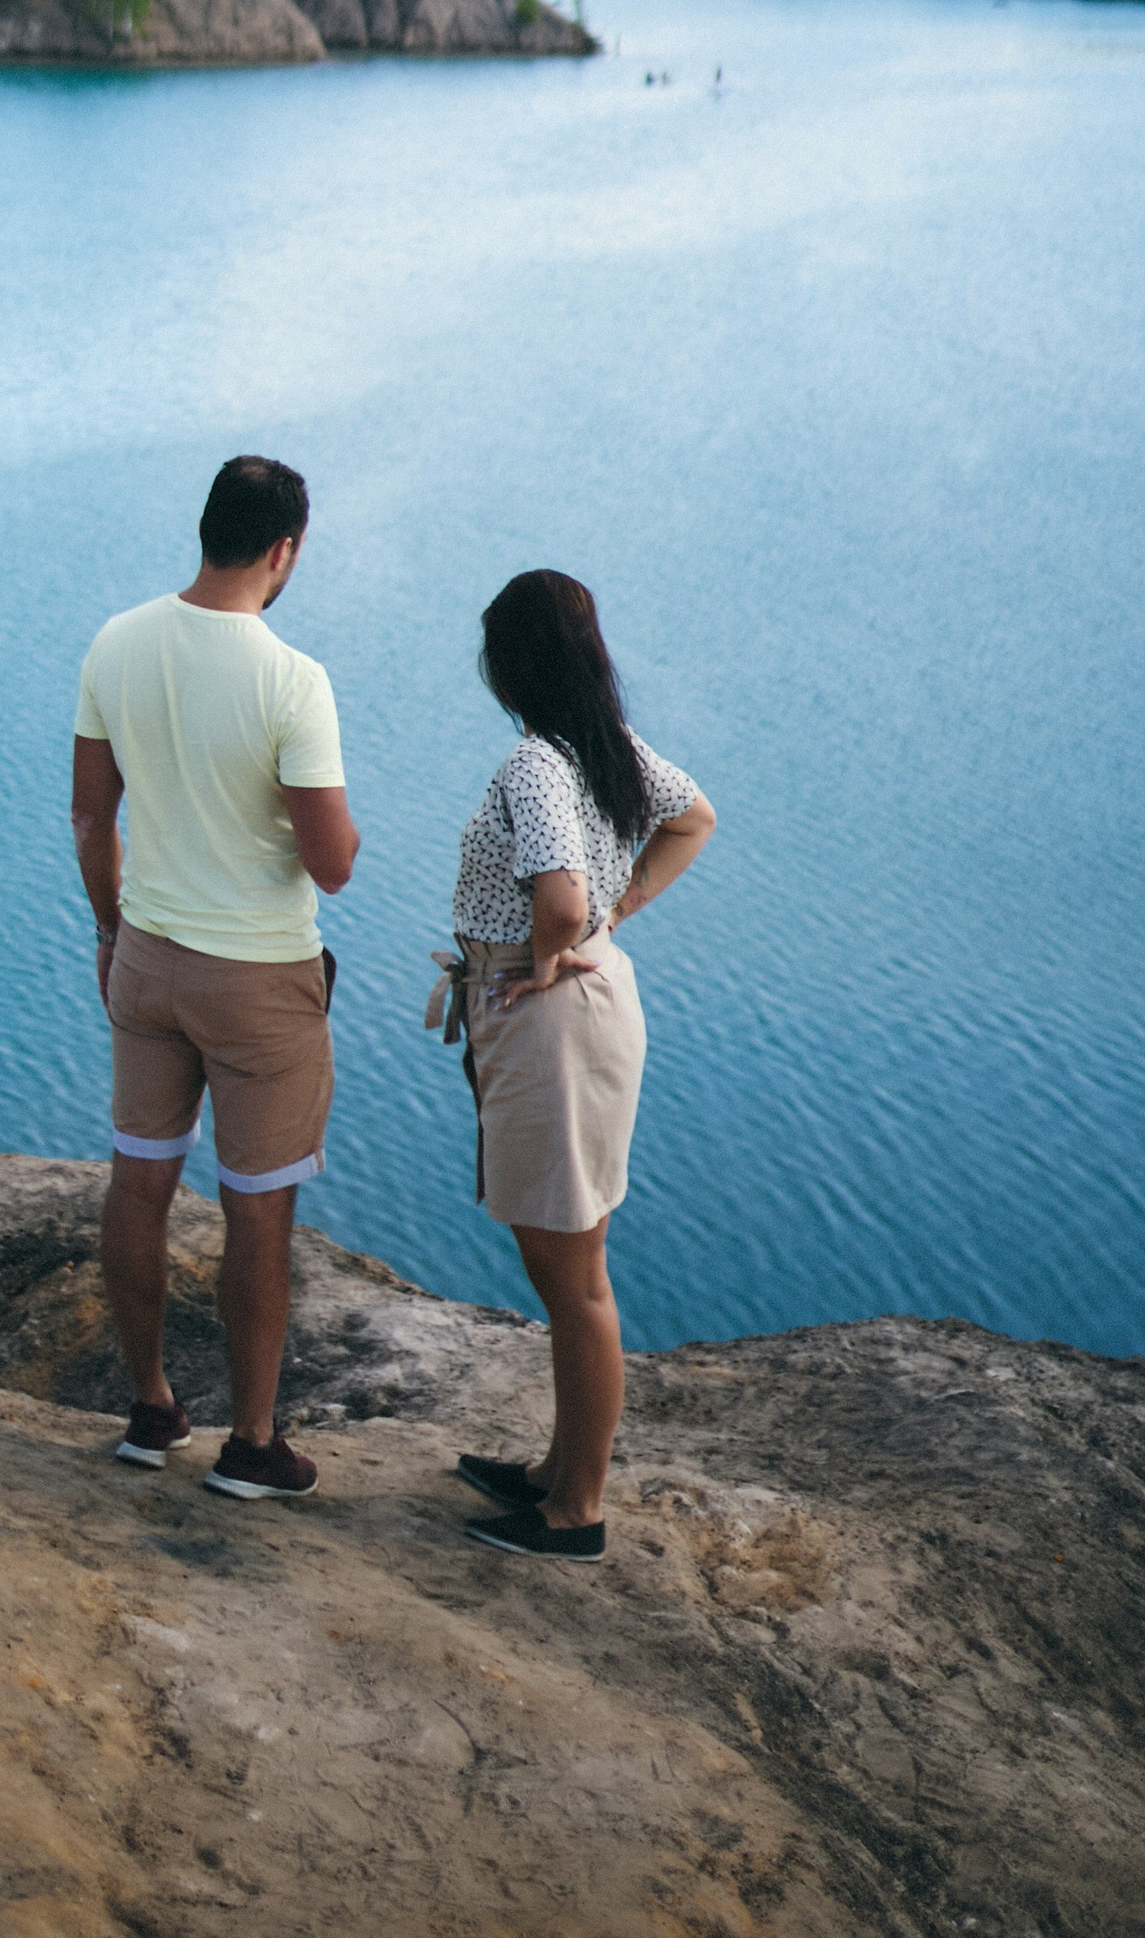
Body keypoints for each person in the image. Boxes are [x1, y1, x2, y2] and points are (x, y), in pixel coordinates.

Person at [71, 454, 359, 1502]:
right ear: (284, 551)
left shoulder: (116, 640)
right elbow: (331, 863)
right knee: (257, 1211)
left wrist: (110, 931)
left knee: (138, 1182)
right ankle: (252, 1444)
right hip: (258, 984)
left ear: (206, 530)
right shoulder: (293, 680)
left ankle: (150, 1409)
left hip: (147, 959)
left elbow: (90, 817)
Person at [431, 569, 714, 1564]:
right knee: (567, 1264)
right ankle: (559, 1470)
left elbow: (556, 897)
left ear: (509, 666)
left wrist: (557, 949)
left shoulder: (535, 765)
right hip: (580, 1017)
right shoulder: (603, 747)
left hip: (552, 1023)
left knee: (573, 1276)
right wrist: (616, 913)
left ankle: (575, 1511)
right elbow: (693, 817)